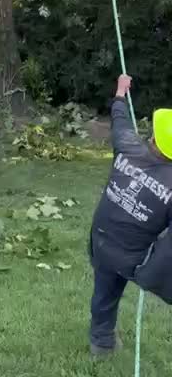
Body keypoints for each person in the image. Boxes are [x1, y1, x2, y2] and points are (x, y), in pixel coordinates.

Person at [89, 74, 172, 357]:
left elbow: (120, 121)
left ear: (154, 138)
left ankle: (101, 342)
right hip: (131, 257)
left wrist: (120, 93)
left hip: (101, 240)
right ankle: (103, 342)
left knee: (104, 292)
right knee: (112, 284)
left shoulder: (128, 145)